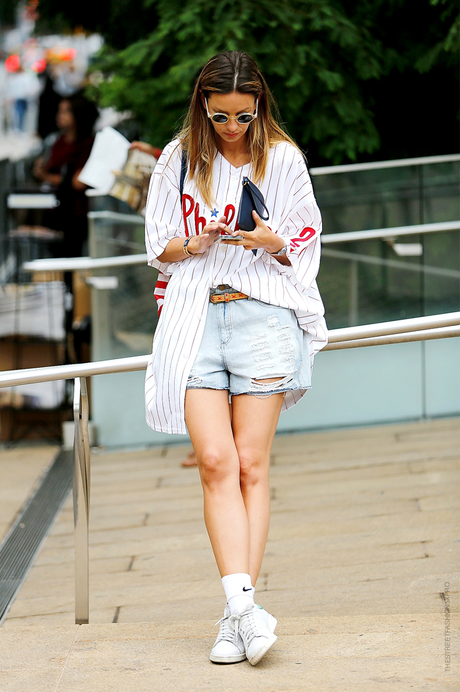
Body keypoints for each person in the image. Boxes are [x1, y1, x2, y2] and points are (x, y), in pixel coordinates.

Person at [144, 51, 327, 666]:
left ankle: (234, 616)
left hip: (264, 316)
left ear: (259, 108)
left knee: (251, 463)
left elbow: (305, 242)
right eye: (219, 115)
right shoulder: (177, 160)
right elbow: (157, 244)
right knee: (215, 460)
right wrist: (194, 242)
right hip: (194, 315)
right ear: (202, 105)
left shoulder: (285, 158)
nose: (231, 128)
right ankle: (245, 610)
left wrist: (269, 239)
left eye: (243, 117)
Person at [33, 92, 98, 258]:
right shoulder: (58, 141)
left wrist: (45, 176)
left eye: (66, 111)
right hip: (55, 210)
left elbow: (78, 182)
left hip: (76, 213)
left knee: (72, 256)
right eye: (59, 111)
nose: (60, 116)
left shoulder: (87, 144)